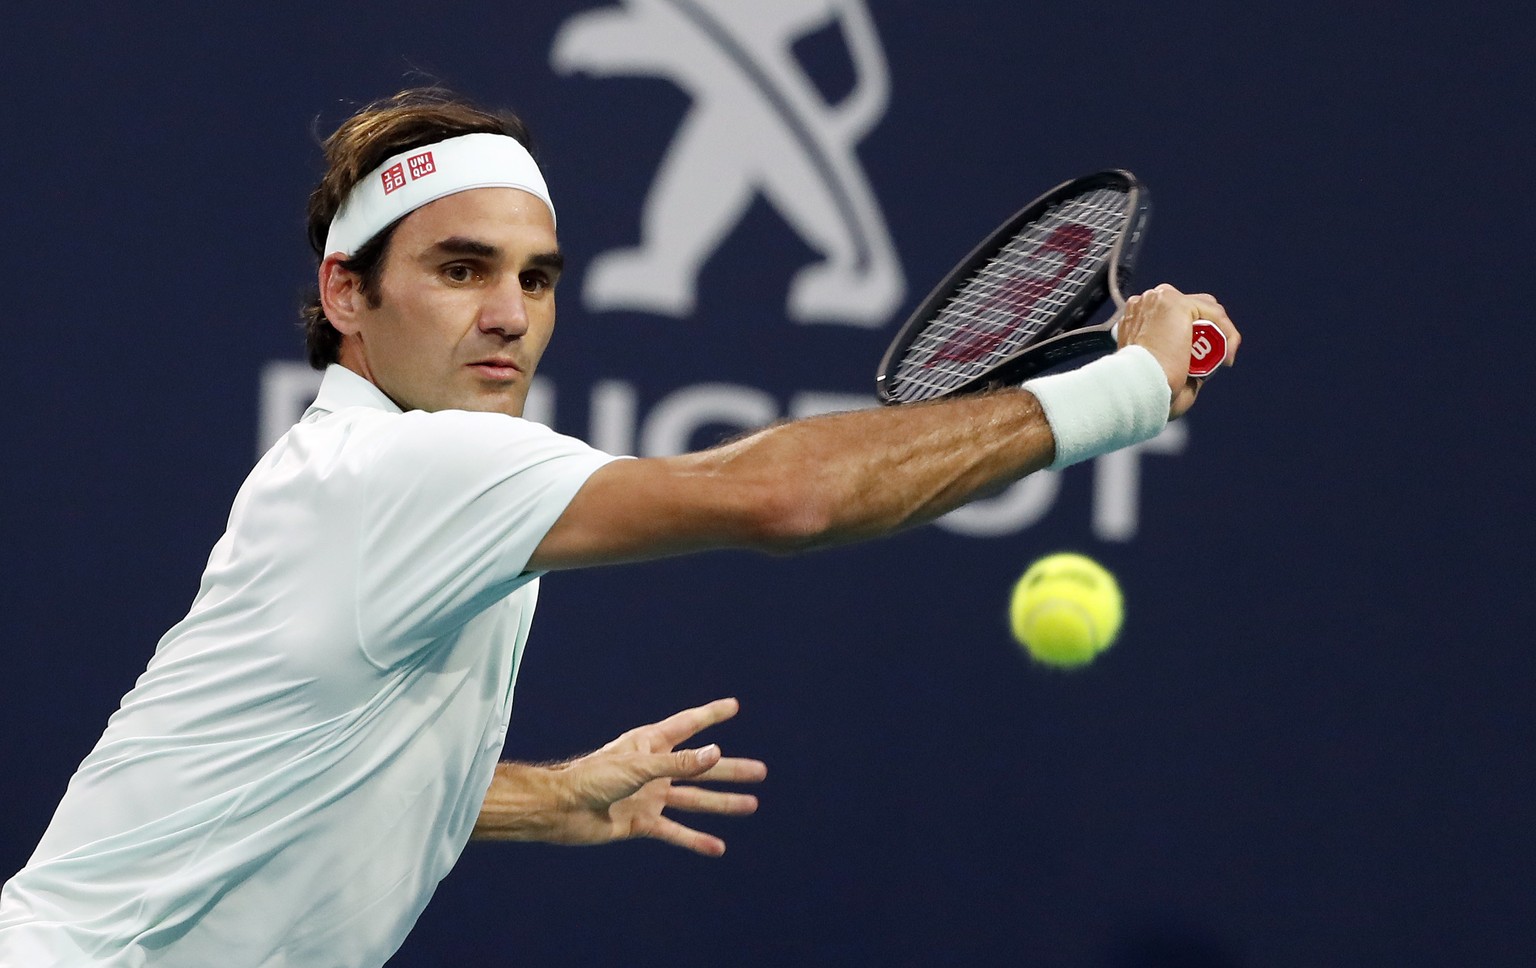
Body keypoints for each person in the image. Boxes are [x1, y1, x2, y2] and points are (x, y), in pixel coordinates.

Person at [0, 87, 1241, 967]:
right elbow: (783, 496)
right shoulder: (408, 470)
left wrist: (551, 798)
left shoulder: (364, 475)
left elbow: (291, 770)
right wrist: (1124, 387)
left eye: (535, 278)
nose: (508, 315)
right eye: (459, 269)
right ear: (346, 293)